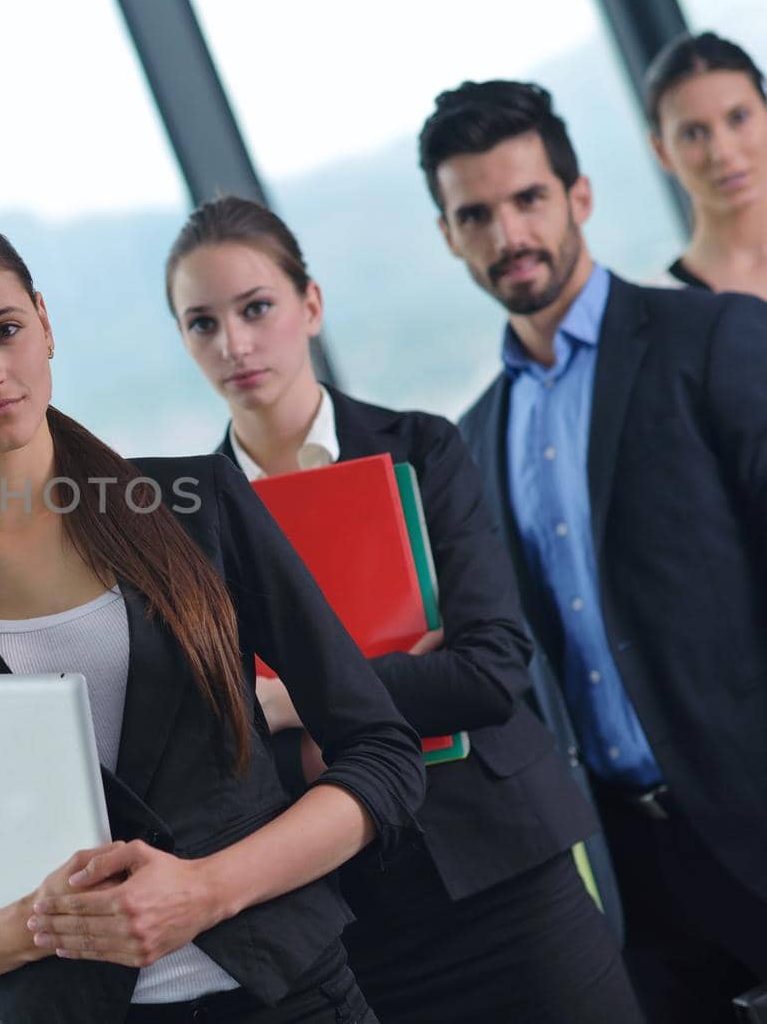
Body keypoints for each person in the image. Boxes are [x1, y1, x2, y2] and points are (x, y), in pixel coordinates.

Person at [0, 219, 426, 1024]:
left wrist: (206, 891)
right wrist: (28, 925)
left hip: (293, 999)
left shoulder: (201, 509)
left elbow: (382, 756)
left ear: (45, 323)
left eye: (5, 331)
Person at [162, 194, 639, 1023]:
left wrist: (288, 704)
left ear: (309, 306)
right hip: (350, 913)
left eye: (257, 308)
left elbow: (489, 674)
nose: (234, 343)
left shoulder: (421, 450)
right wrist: (391, 681)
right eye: (202, 323)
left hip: (507, 871)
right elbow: (219, 752)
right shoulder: (185, 530)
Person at [419, 78, 767, 1023]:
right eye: (475, 214)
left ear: (578, 196)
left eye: (528, 199)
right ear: (450, 234)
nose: (508, 235)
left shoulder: (718, 338)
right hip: (625, 873)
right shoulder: (469, 441)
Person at [643, 30, 767, 296]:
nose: (722, 152)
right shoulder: (660, 310)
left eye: (739, 118)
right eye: (693, 133)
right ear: (661, 151)